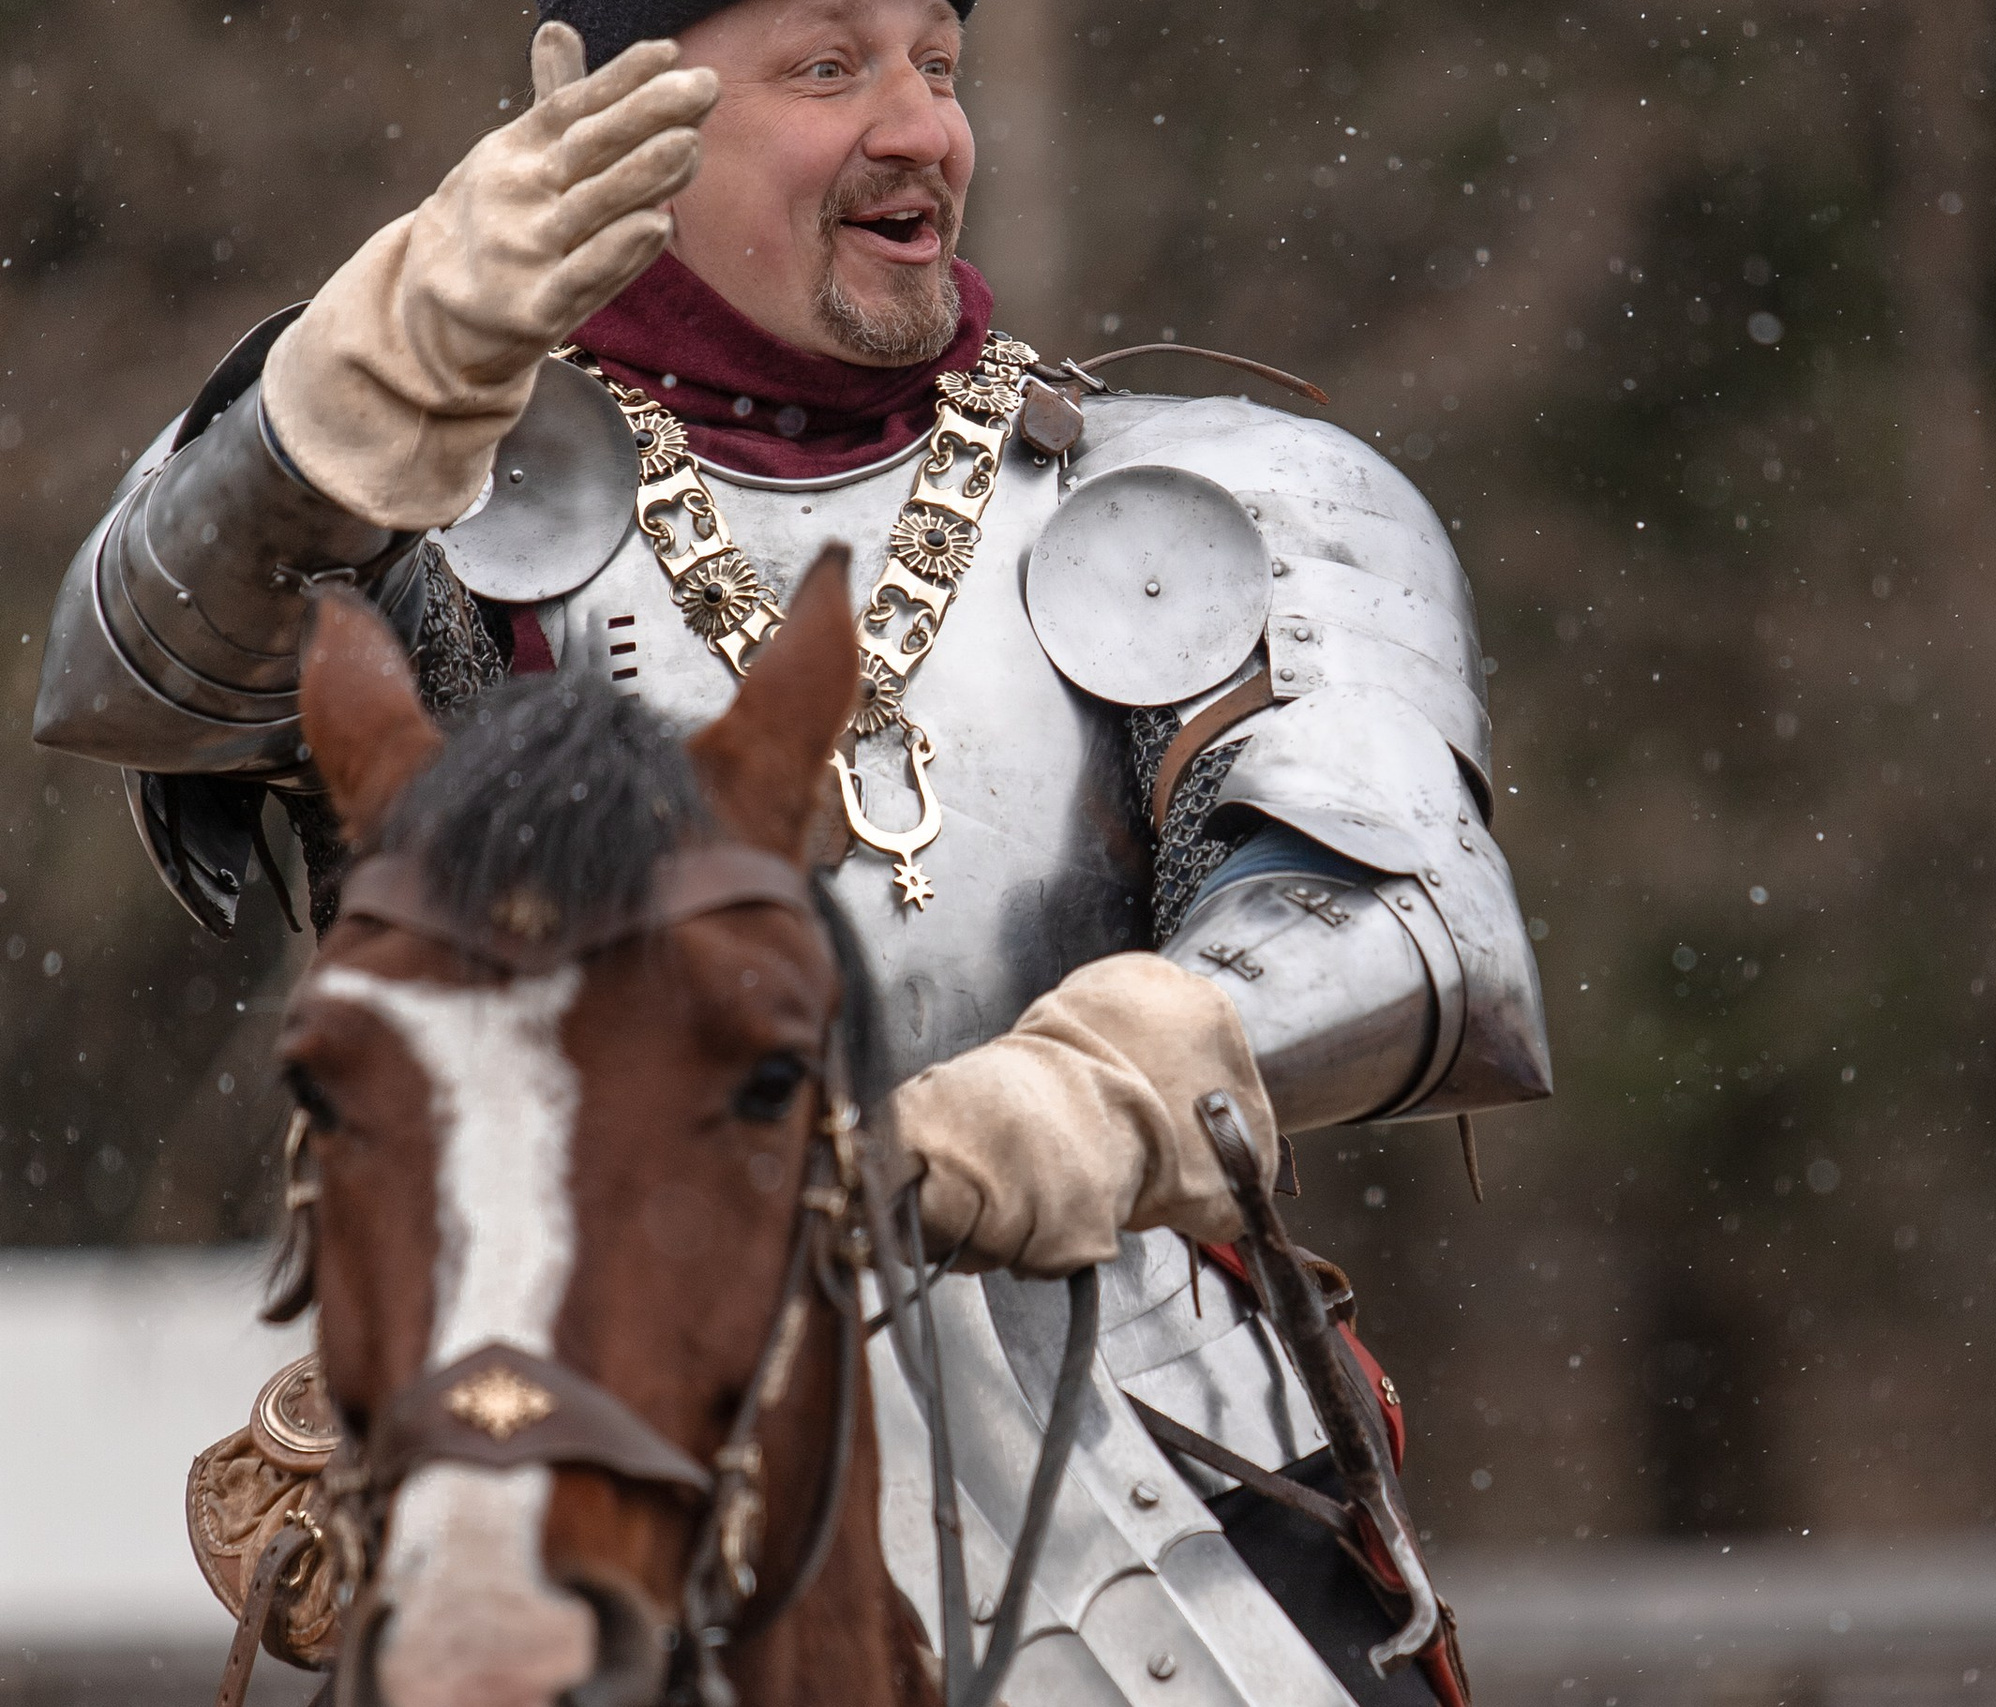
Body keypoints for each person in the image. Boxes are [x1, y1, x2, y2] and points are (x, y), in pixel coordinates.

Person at [31, 2, 1549, 1702]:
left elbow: (1418, 932)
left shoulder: (1221, 493)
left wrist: (1098, 1088)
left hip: (1154, 1462)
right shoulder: (426, 502)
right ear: (622, 118)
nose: (920, 130)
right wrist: (363, 373)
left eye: (941, 64)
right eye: (830, 68)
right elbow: (130, 681)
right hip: (558, 1453)